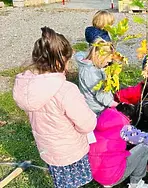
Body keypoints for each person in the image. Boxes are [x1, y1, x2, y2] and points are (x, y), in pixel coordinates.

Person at [13, 27, 97, 188]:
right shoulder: (66, 90)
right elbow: (87, 124)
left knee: (61, 182)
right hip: (70, 151)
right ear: (60, 61)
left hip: (48, 149)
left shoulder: (27, 86)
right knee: (74, 183)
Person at [89, 103, 148, 188]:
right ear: (129, 118)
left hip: (95, 173)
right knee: (144, 148)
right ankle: (136, 184)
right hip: (112, 176)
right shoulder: (124, 127)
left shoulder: (100, 119)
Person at [75, 38, 118, 114]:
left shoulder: (85, 63)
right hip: (97, 109)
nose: (107, 64)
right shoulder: (93, 73)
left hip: (89, 104)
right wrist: (116, 105)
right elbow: (100, 94)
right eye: (107, 62)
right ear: (100, 57)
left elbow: (80, 53)